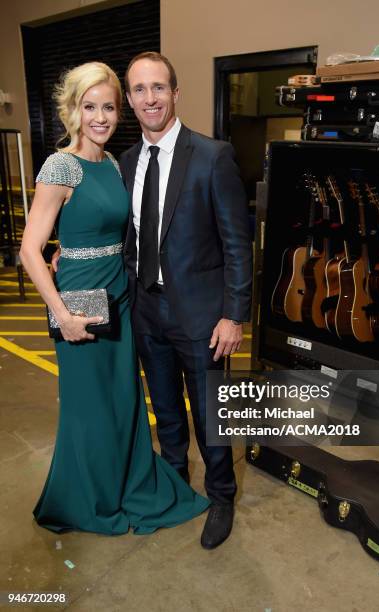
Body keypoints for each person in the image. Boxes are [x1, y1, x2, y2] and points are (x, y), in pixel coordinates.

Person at [19, 61, 209, 535]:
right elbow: (28, 248)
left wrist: (70, 246)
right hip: (78, 306)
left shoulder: (113, 164)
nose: (100, 116)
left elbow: (113, 228)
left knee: (124, 402)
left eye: (108, 106)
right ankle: (87, 499)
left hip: (120, 301)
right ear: (73, 111)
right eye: (90, 107)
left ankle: (126, 483)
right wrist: (61, 314)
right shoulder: (61, 165)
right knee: (90, 410)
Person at [119, 52, 252, 549]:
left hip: (202, 317)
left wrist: (233, 315)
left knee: (210, 414)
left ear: (175, 93)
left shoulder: (213, 156)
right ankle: (173, 483)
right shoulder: (128, 162)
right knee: (167, 412)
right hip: (146, 311)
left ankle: (221, 496)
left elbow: (237, 243)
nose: (149, 98)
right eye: (139, 89)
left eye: (158, 87)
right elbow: (128, 235)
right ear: (130, 99)